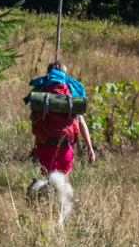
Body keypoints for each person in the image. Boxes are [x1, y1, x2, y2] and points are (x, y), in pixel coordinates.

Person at [27, 59, 96, 223]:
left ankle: (47, 215)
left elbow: (35, 120)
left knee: (49, 181)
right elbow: (80, 122)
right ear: (65, 74)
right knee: (63, 182)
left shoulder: (42, 91)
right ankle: (62, 217)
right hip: (66, 146)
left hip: (44, 145)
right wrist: (90, 148)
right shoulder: (70, 93)